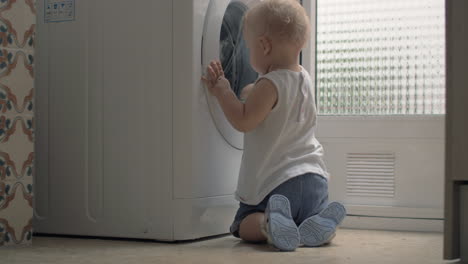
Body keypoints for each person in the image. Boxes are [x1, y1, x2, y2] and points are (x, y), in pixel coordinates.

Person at [201, 0, 346, 251]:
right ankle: (318, 223)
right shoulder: (304, 78)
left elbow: (244, 120)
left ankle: (269, 222)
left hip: (277, 187)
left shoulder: (268, 85)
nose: (248, 52)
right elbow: (279, 107)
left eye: (248, 47)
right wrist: (252, 92)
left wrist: (224, 91)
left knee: (243, 224)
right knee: (306, 219)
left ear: (264, 46)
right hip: (314, 181)